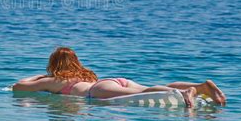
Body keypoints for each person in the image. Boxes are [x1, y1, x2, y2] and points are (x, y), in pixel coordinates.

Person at [13, 47, 226, 108]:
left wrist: (41, 75)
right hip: (113, 80)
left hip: (97, 92)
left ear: (54, 65)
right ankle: (200, 86)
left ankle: (183, 92)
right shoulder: (84, 74)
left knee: (143, 92)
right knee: (147, 88)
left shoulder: (54, 80)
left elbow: (18, 87)